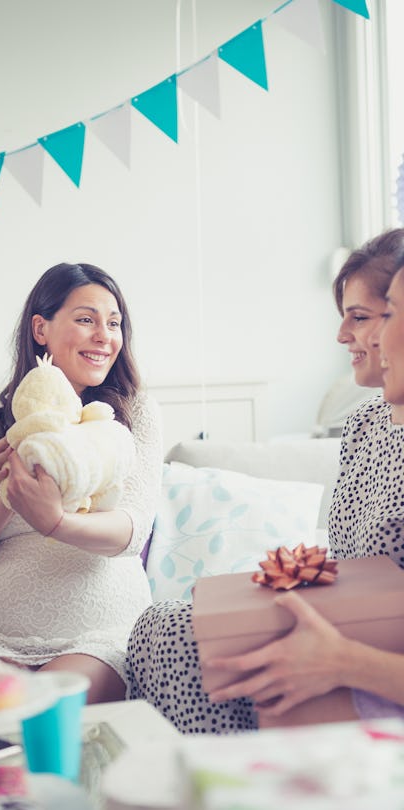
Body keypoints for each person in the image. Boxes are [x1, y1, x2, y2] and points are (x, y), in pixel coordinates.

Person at [126, 228, 404, 732]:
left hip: (373, 660)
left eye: (365, 317)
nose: (345, 336)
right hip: (345, 629)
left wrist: (340, 658)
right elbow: (352, 567)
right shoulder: (365, 424)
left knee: (182, 639)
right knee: (170, 623)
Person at [0, 262, 162, 703]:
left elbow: (131, 531)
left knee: (47, 707)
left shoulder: (130, 416)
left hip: (98, 638)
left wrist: (54, 521)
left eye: (114, 323)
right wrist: (7, 499)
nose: (105, 336)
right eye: (86, 319)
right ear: (40, 328)